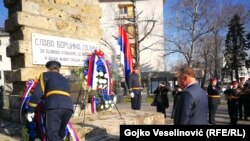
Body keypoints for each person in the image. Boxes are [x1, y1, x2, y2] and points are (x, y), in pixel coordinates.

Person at [26, 60, 74, 141]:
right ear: (58, 69)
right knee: (60, 134)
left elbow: (37, 93)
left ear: (48, 69)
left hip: (54, 107)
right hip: (69, 108)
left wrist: (31, 110)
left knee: (52, 135)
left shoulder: (45, 75)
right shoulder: (64, 79)